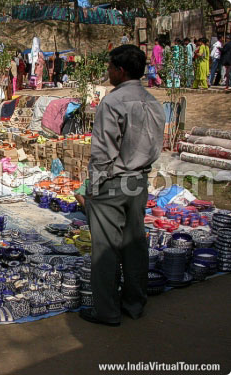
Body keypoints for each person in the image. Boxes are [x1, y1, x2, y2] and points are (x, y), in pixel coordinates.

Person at [80, 45, 165, 326]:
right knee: (134, 244)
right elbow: (154, 146)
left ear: (120, 70)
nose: (108, 72)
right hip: (138, 181)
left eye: (109, 68)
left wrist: (93, 187)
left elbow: (103, 151)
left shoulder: (113, 102)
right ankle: (134, 303)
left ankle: (106, 311)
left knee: (105, 248)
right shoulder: (153, 102)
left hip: (113, 182)